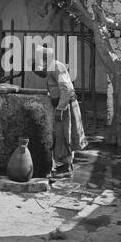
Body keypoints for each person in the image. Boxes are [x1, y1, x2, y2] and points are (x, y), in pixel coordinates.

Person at [32, 46, 88, 178]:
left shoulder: (57, 67)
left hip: (65, 106)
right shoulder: (52, 68)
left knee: (64, 134)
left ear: (45, 59)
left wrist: (60, 109)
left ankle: (65, 166)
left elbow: (66, 90)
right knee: (61, 134)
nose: (39, 73)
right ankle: (64, 164)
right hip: (62, 105)